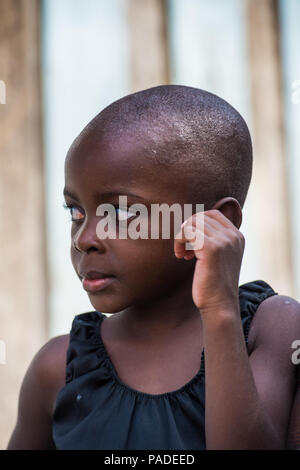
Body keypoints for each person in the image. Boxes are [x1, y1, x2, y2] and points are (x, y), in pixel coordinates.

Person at [7, 85, 300, 450]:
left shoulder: (275, 329)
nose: (84, 238)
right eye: (76, 212)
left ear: (216, 221)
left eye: (122, 212)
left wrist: (219, 310)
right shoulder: (59, 370)